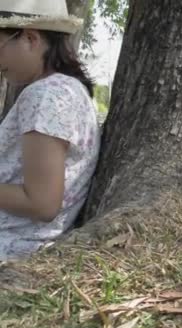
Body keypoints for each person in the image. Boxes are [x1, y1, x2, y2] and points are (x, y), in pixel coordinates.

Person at [0, 0, 100, 260]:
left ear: (30, 38)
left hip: (13, 245)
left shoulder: (45, 96)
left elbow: (42, 202)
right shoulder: (66, 91)